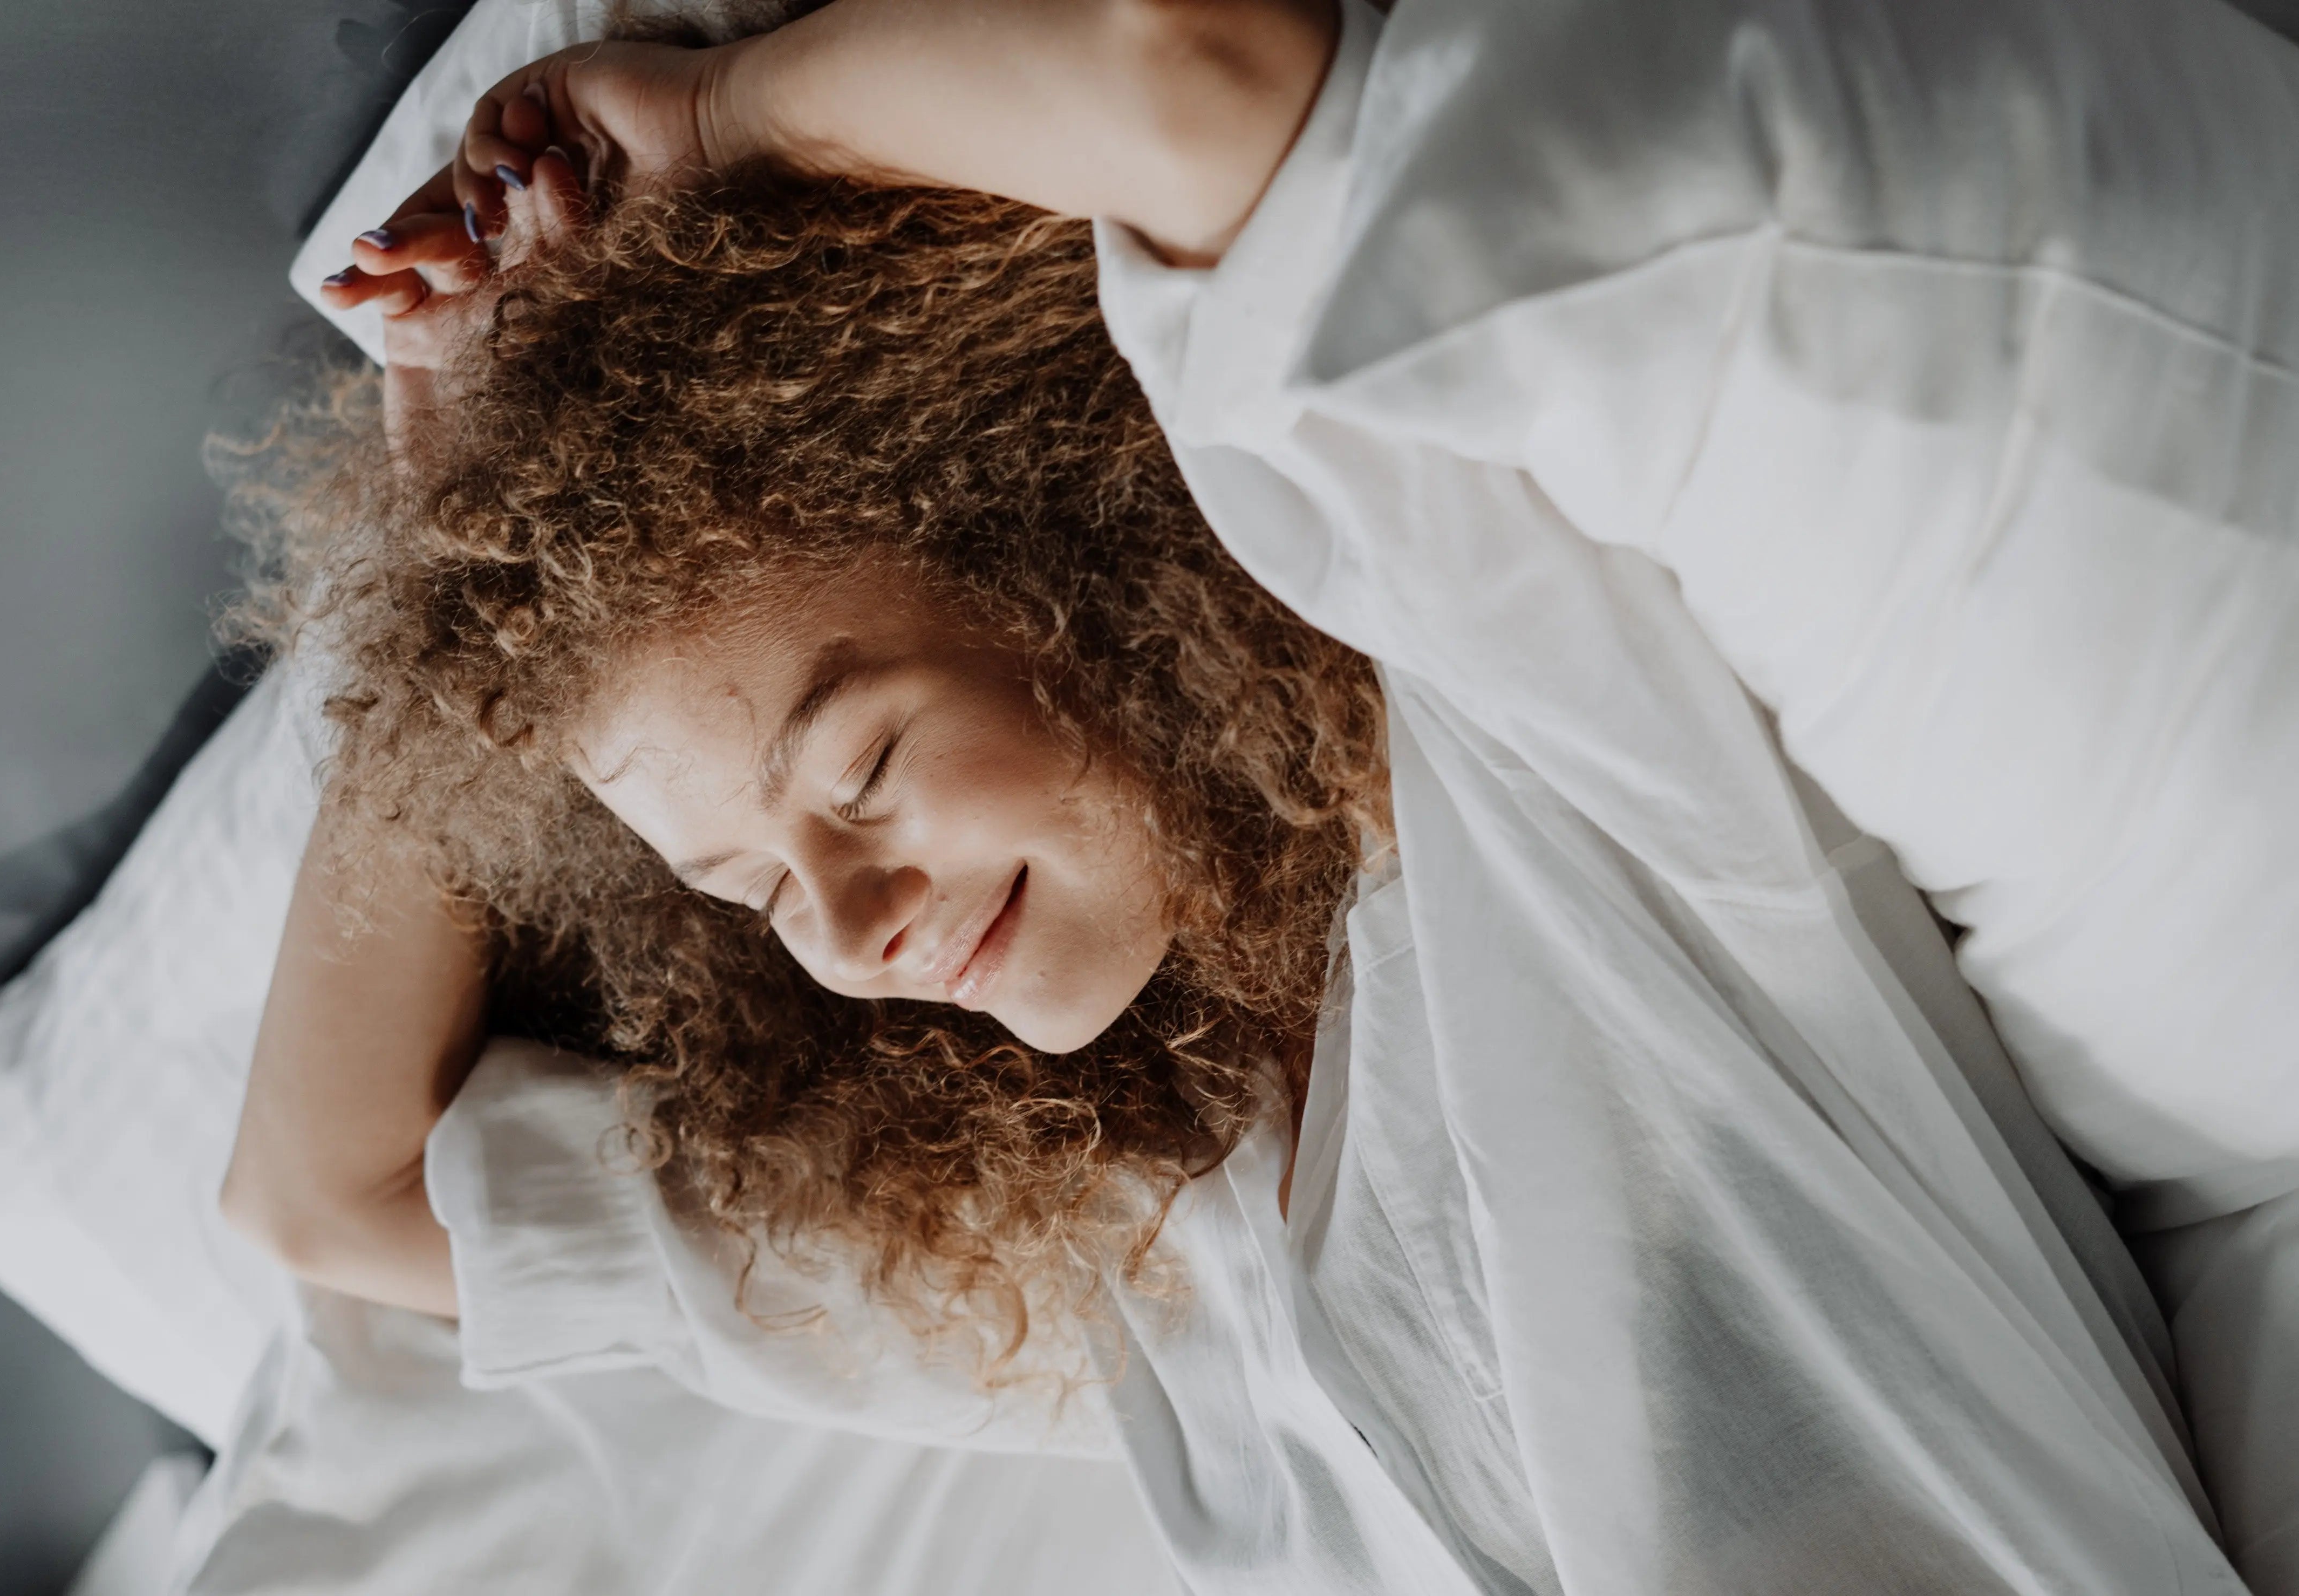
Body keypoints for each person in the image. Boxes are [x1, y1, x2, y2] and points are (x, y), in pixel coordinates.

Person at [309, 0, 2299, 1584]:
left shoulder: (1523, 770)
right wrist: (465, 530)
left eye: (864, 766)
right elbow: (329, 1198)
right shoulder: (1095, 1246)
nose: (844, 931)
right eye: (746, 894)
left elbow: (1188, 75)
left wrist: (726, 114)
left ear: (1075, 555)